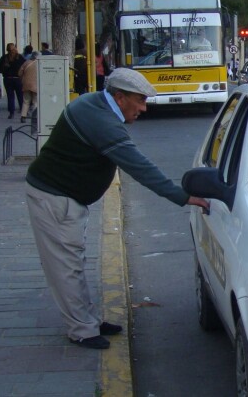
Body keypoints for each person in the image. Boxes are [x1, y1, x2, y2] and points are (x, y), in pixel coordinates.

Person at [25, 68, 210, 349]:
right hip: (54, 198)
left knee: (73, 263)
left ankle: (88, 320)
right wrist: (182, 196)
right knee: (66, 267)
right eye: (140, 100)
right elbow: (139, 167)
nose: (143, 108)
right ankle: (82, 331)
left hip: (63, 197)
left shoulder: (93, 104)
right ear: (120, 97)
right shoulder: (102, 122)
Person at [0, 43, 26, 119]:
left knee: (10, 96)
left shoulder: (4, 57)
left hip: (7, 79)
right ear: (15, 48)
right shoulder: (19, 57)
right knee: (20, 96)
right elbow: (25, 67)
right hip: (17, 79)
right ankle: (23, 112)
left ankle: (11, 113)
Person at [18, 51, 40, 123]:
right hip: (36, 85)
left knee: (26, 101)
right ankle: (34, 116)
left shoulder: (26, 63)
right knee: (35, 102)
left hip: (26, 84)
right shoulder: (40, 63)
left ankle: (23, 116)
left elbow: (19, 73)